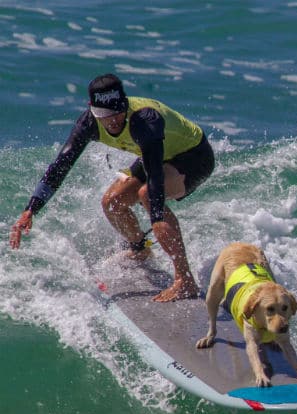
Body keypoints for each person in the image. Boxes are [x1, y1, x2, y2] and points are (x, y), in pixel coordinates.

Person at [9, 73, 214, 302]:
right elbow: (60, 166)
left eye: (118, 112)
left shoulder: (145, 120)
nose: (114, 120)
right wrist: (31, 209)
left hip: (194, 157)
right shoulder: (89, 123)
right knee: (112, 202)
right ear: (93, 109)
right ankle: (141, 249)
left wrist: (156, 218)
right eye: (105, 115)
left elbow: (155, 175)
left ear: (124, 104)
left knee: (147, 194)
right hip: (156, 155)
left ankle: (185, 281)